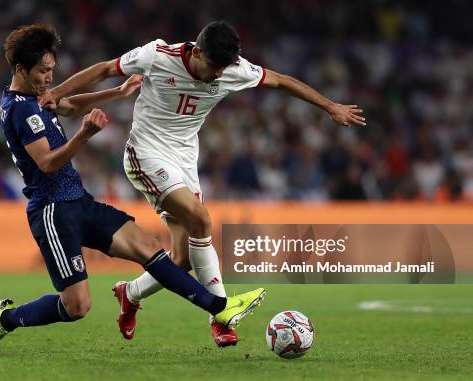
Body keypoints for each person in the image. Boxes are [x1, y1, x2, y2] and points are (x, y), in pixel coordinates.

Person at [39, 21, 365, 347]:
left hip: (184, 162)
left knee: (181, 258)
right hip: (146, 154)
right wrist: (58, 92)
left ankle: (131, 292)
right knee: (201, 218)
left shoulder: (234, 69)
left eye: (223, 69)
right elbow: (104, 69)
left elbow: (280, 81)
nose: (218, 76)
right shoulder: (156, 55)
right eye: (213, 68)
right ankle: (220, 316)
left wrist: (329, 106)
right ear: (196, 52)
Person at [0, 23, 265, 351]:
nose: (49, 78)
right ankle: (7, 319)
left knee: (151, 251)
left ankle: (220, 309)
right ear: (20, 69)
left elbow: (69, 105)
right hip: (53, 212)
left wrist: (117, 93)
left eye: (51, 70)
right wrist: (85, 133)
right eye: (43, 71)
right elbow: (46, 163)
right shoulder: (20, 109)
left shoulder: (33, 97)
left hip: (79, 201)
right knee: (77, 307)